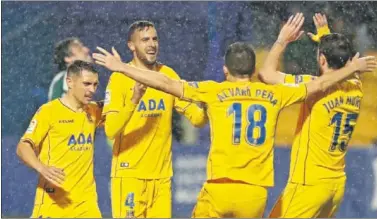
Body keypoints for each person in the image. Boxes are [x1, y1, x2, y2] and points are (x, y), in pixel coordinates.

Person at [93, 13, 377, 218]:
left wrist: (120, 67)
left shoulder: (215, 92)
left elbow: (166, 84)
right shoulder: (352, 85)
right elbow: (324, 78)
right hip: (285, 191)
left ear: (226, 71)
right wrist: (334, 46)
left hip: (228, 189)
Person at [258, 14, 374, 218]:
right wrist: (325, 35)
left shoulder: (312, 87)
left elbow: (266, 74)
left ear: (321, 59)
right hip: (335, 186)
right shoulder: (356, 86)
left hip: (308, 184)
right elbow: (340, 67)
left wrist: (281, 40)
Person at [102, 20, 208, 218]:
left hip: (162, 178)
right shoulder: (119, 78)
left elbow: (196, 119)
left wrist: (210, 105)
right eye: (144, 40)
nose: (152, 44)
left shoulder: (167, 75)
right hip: (130, 176)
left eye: (154, 39)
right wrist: (134, 100)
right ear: (131, 46)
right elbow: (110, 129)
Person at [16, 61, 103, 218]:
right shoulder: (48, 112)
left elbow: (120, 105)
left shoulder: (93, 111)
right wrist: (41, 167)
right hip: (53, 202)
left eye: (95, 85)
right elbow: (22, 147)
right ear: (70, 82)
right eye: (87, 84)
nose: (92, 90)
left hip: (86, 204)